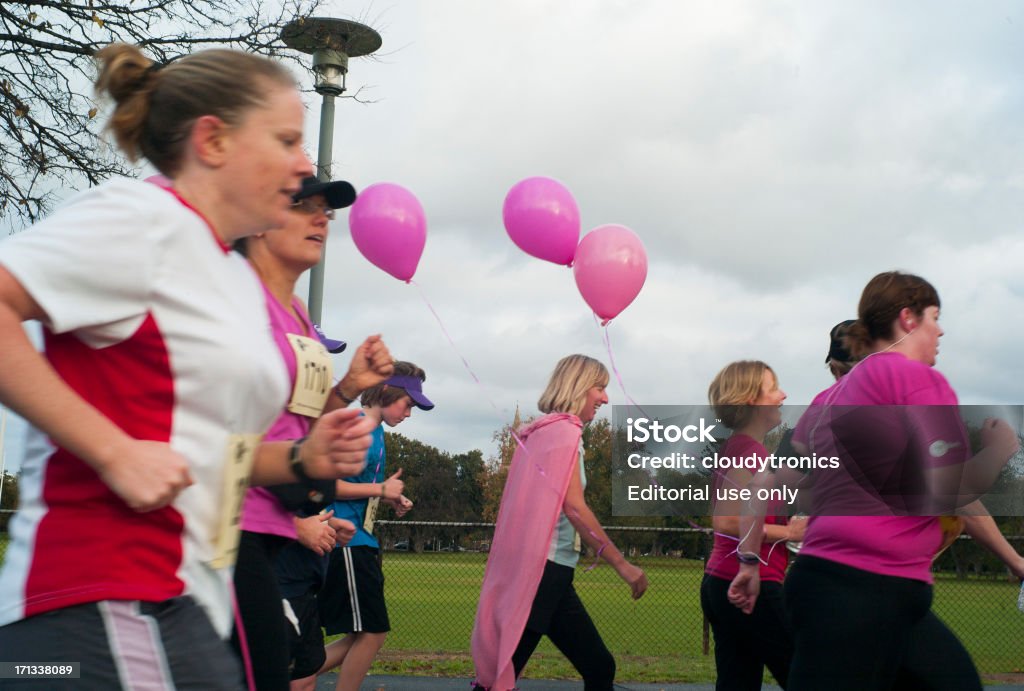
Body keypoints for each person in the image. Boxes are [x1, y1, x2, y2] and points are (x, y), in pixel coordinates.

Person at [0, 44, 374, 689]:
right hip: (101, 594)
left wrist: (300, 459)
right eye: (286, 139)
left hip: (182, 598)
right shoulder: (144, 220)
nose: (304, 164)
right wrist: (113, 451)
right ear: (214, 140)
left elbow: (207, 450)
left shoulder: (227, 274)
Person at [729, 272, 1020, 691]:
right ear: (907, 318)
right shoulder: (918, 380)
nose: (941, 330)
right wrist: (999, 449)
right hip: (867, 590)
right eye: (934, 317)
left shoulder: (826, 401)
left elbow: (764, 486)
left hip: (835, 584)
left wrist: (748, 563)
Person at [231, 175, 396, 691]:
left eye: (328, 210)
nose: (322, 218)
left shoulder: (297, 315)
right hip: (226, 532)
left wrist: (347, 388)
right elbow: (211, 436)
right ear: (258, 223)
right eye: (305, 205)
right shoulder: (234, 305)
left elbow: (295, 424)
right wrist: (306, 471)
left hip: (274, 533)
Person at [472, 354, 648, 691]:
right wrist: (622, 565)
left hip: (546, 572)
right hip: (544, 573)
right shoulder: (565, 434)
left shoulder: (541, 433)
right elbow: (576, 509)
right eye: (600, 387)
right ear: (579, 386)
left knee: (599, 667)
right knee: (499, 680)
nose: (605, 398)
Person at [317, 362, 432, 691]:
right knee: (373, 633)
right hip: (346, 542)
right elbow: (323, 484)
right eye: (407, 404)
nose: (409, 413)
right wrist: (380, 490)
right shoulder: (356, 426)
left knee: (362, 635)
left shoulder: (376, 431)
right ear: (385, 391)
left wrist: (389, 497)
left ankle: (292, 675)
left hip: (360, 541)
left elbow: (356, 484)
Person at [701, 361, 801, 690]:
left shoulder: (743, 450)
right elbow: (728, 520)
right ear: (749, 401)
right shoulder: (748, 453)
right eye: (773, 388)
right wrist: (790, 533)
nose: (782, 395)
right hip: (749, 586)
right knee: (807, 675)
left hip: (724, 580)